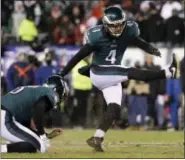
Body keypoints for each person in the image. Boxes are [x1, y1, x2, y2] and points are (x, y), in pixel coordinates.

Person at [59, 6, 178, 152]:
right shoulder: (96, 36)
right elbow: (78, 56)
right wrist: (62, 73)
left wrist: (151, 49)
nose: (117, 28)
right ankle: (169, 72)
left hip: (112, 77)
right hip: (99, 72)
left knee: (114, 109)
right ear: (105, 23)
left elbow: (137, 41)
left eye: (120, 24)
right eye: (113, 25)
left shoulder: (129, 30)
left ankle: (97, 137)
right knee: (131, 72)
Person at [1, 75, 68, 153]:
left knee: (34, 144)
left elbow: (24, 126)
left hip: (5, 114)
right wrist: (42, 136)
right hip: (4, 115)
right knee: (40, 147)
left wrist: (47, 135)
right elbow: (38, 109)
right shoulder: (50, 93)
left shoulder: (35, 92)